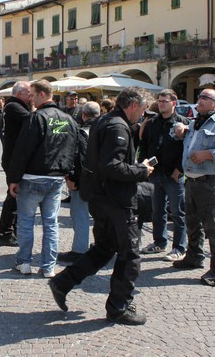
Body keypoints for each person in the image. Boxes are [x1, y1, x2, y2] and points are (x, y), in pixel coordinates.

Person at [48, 86, 155, 326]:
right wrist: (141, 170)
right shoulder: (117, 126)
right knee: (129, 254)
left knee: (104, 248)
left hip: (101, 198)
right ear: (133, 105)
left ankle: (62, 282)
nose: (143, 113)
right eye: (143, 108)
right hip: (115, 200)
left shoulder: (107, 120)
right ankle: (119, 307)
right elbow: (111, 165)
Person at [8, 80, 78, 278]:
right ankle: (48, 266)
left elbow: (22, 150)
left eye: (32, 94)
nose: (30, 98)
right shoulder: (67, 119)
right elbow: (74, 148)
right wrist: (68, 173)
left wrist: (14, 178)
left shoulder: (36, 118)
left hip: (32, 178)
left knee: (26, 222)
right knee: (51, 223)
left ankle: (24, 262)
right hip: (55, 178)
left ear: (41, 94)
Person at [173, 89, 215, 286]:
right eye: (199, 97)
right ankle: (194, 257)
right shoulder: (196, 122)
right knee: (192, 223)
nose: (199, 101)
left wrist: (208, 154)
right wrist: (179, 130)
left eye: (205, 98)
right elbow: (181, 137)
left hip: (210, 182)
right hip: (192, 181)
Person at [138, 89, 190, 262]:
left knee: (177, 212)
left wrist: (179, 169)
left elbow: (187, 149)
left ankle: (179, 247)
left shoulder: (182, 123)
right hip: (155, 173)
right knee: (157, 210)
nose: (161, 104)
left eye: (164, 101)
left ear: (173, 103)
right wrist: (144, 165)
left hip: (173, 175)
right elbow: (144, 145)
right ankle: (159, 242)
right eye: (159, 101)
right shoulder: (152, 122)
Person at [58, 101, 101, 263]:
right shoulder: (106, 129)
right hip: (103, 180)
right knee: (100, 216)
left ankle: (79, 250)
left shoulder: (81, 132)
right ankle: (101, 245)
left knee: (80, 215)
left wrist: (72, 179)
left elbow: (77, 158)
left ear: (83, 115)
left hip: (85, 180)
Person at [0, 82, 32, 247]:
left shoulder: (17, 105)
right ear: (19, 94)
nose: (31, 96)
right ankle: (5, 232)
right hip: (12, 159)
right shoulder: (13, 106)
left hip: (15, 158)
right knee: (14, 194)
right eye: (28, 93)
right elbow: (32, 120)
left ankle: (13, 229)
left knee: (17, 195)